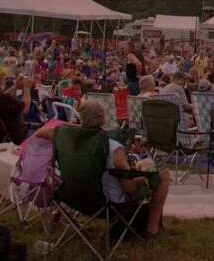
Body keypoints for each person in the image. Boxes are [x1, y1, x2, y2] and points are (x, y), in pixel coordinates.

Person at [38, 100, 171, 236]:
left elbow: (40, 132)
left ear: (80, 117)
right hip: (107, 204)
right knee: (163, 174)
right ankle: (152, 229)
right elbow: (129, 188)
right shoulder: (112, 147)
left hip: (73, 198)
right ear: (103, 119)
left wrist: (72, 128)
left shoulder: (63, 136)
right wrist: (143, 177)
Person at [0, 73, 31, 145]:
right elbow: (25, 109)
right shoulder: (5, 99)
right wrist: (27, 88)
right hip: (16, 138)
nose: (4, 79)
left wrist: (15, 86)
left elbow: (2, 96)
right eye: (1, 78)